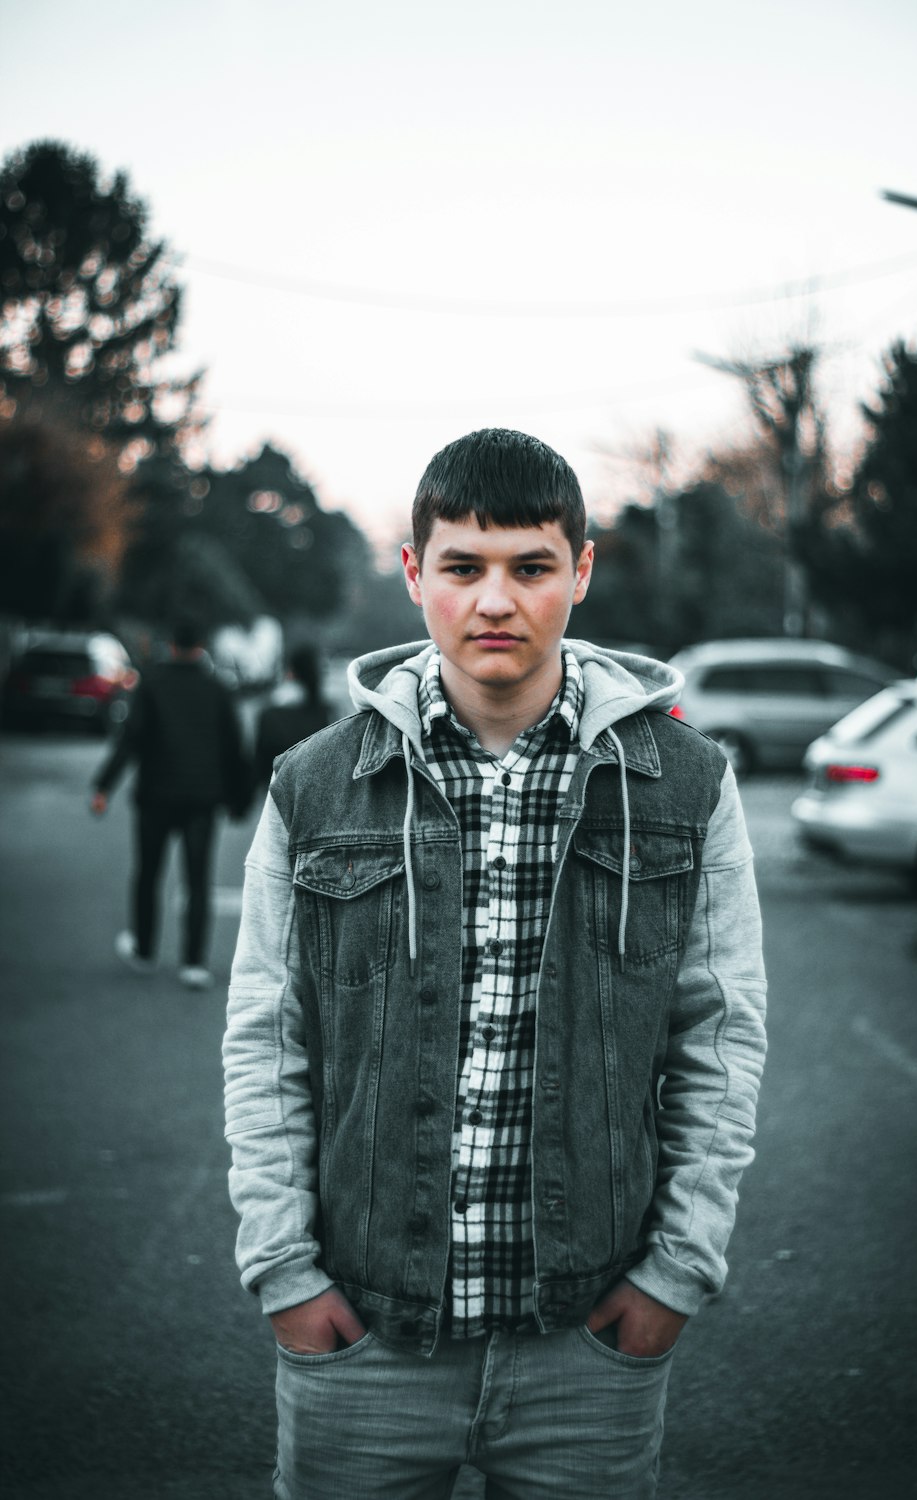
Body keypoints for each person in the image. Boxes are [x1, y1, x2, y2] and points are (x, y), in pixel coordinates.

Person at [223, 429, 767, 1498]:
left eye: (530, 567)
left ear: (581, 572)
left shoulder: (685, 784)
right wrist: (283, 1270)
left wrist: (677, 1273)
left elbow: (719, 1036)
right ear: (415, 572)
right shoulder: (314, 784)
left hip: (591, 1345)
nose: (494, 602)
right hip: (363, 1339)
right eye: (463, 568)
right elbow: (268, 1040)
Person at [91, 615, 251, 990]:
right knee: (198, 881)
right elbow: (234, 748)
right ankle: (193, 963)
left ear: (171, 645)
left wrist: (103, 787)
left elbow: (130, 740)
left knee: (148, 874)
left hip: (156, 796)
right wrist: (238, 799)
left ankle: (145, 950)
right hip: (202, 799)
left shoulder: (152, 684)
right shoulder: (217, 689)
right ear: (201, 648)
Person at [253, 644, 330, 790]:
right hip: (316, 791)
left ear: (290, 673)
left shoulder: (271, 714)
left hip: (278, 793)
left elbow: (260, 764)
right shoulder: (326, 713)